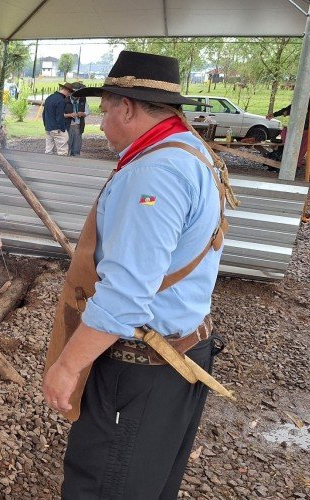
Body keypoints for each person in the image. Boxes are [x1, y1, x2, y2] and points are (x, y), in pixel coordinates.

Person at [42, 50, 235, 499]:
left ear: (126, 107)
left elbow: (127, 295)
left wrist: (69, 366)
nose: (101, 122)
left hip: (141, 369)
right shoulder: (191, 151)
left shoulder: (153, 172)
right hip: (178, 356)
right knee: (146, 486)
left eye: (105, 110)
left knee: (106, 486)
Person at [265, 99, 310, 171]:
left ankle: (293, 165)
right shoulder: (303, 102)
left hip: (305, 130)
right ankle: (291, 164)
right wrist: (275, 114)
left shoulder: (309, 101)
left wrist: (279, 114)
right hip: (301, 129)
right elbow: (289, 109)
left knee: (299, 148)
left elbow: (291, 109)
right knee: (296, 147)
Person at [42, 82, 74, 155]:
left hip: (48, 128)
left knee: (48, 150)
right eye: (69, 93)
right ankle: (61, 166)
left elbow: (44, 113)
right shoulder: (61, 100)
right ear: (66, 91)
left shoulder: (49, 97)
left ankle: (47, 165)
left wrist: (46, 125)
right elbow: (59, 116)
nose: (69, 95)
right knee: (62, 151)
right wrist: (62, 128)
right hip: (57, 128)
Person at [65, 82, 90, 156]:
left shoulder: (83, 100)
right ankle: (66, 157)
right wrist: (70, 115)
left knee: (77, 144)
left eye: (78, 92)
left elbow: (88, 111)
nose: (76, 95)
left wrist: (83, 114)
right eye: (74, 92)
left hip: (79, 125)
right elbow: (60, 114)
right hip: (68, 125)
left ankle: (76, 157)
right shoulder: (65, 100)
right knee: (67, 143)